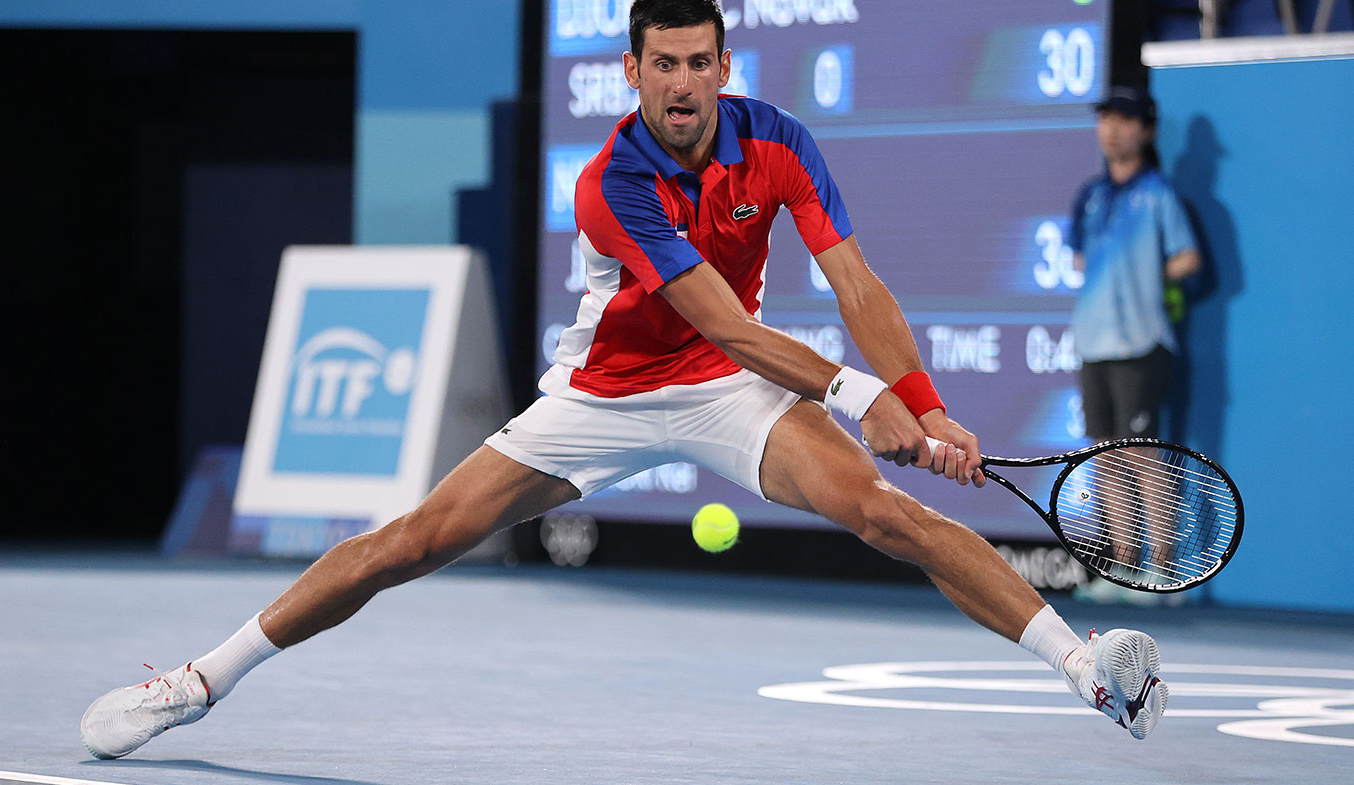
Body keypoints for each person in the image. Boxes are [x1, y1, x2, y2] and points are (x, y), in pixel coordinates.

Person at [80, 1, 1169, 758]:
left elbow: (856, 281)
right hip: (602, 394)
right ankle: (198, 678)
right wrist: (855, 394)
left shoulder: (777, 142)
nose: (685, 82)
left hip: (728, 391)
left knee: (886, 512)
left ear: (724, 69)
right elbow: (722, 321)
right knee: (407, 543)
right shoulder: (613, 183)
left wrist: (923, 404)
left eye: (702, 63)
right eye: (666, 64)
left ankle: (1089, 671)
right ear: (632, 71)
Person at [1066, 86, 1201, 605]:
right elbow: (1079, 261)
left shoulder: (1160, 194)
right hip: (1093, 343)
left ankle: (1163, 575)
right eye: (1105, 119)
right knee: (1106, 459)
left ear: (1145, 130)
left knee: (1144, 456)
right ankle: (1124, 571)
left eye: (1123, 119)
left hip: (1142, 342)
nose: (1112, 129)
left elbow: (1187, 258)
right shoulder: (1090, 195)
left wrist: (1149, 278)